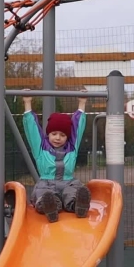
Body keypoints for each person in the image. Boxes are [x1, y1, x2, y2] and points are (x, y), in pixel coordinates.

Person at [22, 91, 90, 222]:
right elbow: (32, 129)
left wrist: (82, 102)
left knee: (72, 193)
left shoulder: (72, 147)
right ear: (48, 134)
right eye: (54, 134)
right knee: (44, 195)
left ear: (67, 137)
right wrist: (27, 102)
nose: (58, 138)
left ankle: (78, 206)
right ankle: (51, 207)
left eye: (62, 135)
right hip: (47, 184)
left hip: (68, 182)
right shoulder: (41, 147)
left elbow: (78, 127)